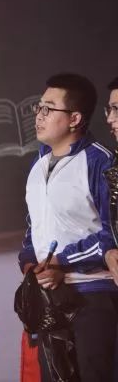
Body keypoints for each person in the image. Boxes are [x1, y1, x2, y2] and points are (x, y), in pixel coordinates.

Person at [17, 73, 118, 381]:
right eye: (38, 107)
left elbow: (110, 235)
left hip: (94, 295)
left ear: (75, 118)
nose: (39, 115)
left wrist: (60, 261)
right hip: (50, 298)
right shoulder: (37, 166)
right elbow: (32, 230)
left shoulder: (101, 162)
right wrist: (31, 267)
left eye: (49, 108)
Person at [103, 76, 118, 287]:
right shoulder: (111, 166)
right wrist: (108, 253)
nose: (110, 119)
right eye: (109, 109)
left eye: (116, 109)